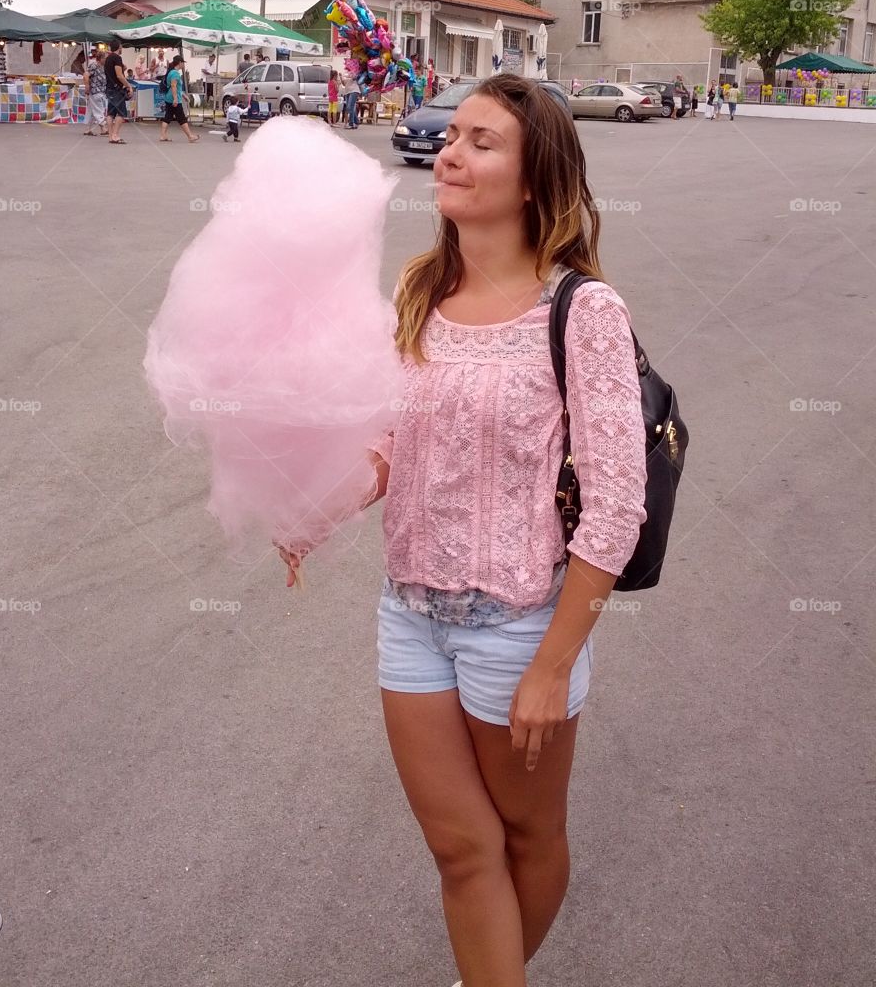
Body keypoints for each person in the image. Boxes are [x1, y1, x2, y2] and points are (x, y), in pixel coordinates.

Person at [277, 73, 647, 987]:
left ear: (532, 181)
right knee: (461, 850)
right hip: (409, 614)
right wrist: (313, 511)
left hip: (518, 626)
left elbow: (616, 504)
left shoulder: (581, 310)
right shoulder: (420, 289)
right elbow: (396, 442)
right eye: (453, 135)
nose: (450, 152)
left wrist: (552, 664)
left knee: (527, 835)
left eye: (483, 142)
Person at [158, 55, 199, 143]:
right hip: (174, 99)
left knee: (168, 117)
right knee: (181, 118)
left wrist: (183, 95)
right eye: (183, 63)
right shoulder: (175, 73)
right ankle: (190, 136)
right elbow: (173, 86)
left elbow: (177, 87)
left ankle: (163, 135)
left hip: (169, 98)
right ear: (180, 63)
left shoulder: (171, 72)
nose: (184, 64)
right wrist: (176, 99)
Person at [103, 43, 133, 143]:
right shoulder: (117, 58)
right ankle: (115, 135)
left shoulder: (107, 59)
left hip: (109, 88)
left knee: (110, 113)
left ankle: (111, 136)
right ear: (119, 48)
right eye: (121, 47)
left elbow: (116, 71)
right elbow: (119, 75)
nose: (122, 49)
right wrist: (129, 86)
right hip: (116, 90)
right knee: (121, 112)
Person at [83, 48, 109, 136]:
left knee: (91, 111)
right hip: (95, 91)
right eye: (105, 58)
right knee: (99, 109)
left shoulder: (103, 67)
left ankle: (88, 129)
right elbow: (86, 75)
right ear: (100, 58)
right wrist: (87, 86)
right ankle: (104, 128)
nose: (106, 60)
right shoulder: (93, 65)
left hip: (100, 91)